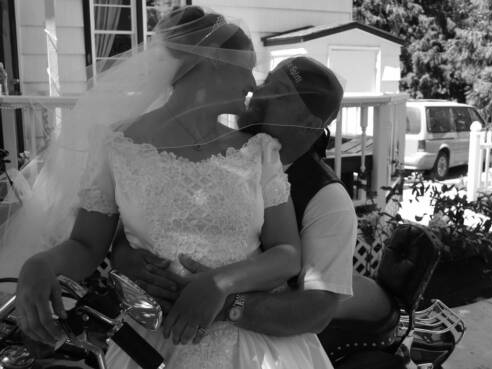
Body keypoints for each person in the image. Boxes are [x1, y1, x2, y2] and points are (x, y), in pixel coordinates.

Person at [10, 7, 335, 369]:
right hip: (152, 346)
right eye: (246, 68)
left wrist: (220, 284)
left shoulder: (259, 152)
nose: (252, 85)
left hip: (251, 349)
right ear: (212, 63)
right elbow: (86, 245)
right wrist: (39, 265)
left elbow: (287, 253)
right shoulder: (116, 146)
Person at [111, 56, 393, 340]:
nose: (258, 93)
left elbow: (316, 311)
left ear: (308, 124)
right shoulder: (213, 154)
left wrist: (224, 301)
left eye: (279, 92)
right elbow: (149, 220)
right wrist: (126, 257)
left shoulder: (327, 199)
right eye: (266, 81)